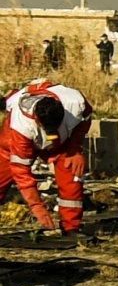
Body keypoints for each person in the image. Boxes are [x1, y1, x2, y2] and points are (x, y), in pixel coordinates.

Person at [2, 80, 93, 234]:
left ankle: (71, 228)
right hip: (16, 142)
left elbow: (86, 118)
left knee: (72, 177)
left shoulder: (75, 102)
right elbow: (21, 170)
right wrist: (36, 206)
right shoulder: (21, 126)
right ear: (37, 120)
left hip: (61, 144)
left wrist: (75, 148)